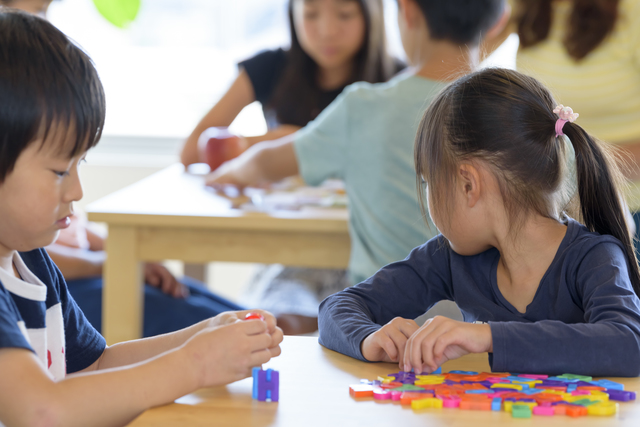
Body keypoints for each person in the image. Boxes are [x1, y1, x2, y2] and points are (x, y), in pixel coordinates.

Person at [0, 11, 282, 426]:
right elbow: (42, 409)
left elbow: (95, 366)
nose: (76, 190)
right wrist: (195, 364)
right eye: (60, 170)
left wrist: (202, 335)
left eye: (80, 164)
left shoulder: (33, 261)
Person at [206, 0, 509, 333]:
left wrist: (232, 171)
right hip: (486, 335)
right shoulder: (516, 116)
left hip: (383, 331)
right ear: (498, 22)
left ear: (406, 11)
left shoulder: (363, 108)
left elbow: (266, 164)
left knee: (275, 300)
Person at [318, 67, 640, 377]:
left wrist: (487, 336)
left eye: (429, 181)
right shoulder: (450, 258)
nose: (429, 197)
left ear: (468, 185)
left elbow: (629, 344)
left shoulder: (593, 258)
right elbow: (339, 307)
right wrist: (368, 338)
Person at [489, 0, 640, 250]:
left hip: (628, 205)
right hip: (552, 206)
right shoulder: (524, 6)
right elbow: (457, 47)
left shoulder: (632, 11)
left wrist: (582, 167)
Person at [180, 0, 402, 166]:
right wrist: (274, 142)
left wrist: (306, 144)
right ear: (292, 14)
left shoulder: (401, 77)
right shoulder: (268, 66)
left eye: (344, 14)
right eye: (311, 14)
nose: (327, 31)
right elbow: (190, 151)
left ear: (372, 12)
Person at [46, 213, 246, 337]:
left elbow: (74, 227)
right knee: (155, 304)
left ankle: (258, 319)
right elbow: (33, 255)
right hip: (56, 286)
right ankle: (256, 328)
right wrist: (114, 262)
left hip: (87, 264)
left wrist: (127, 256)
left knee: (178, 289)